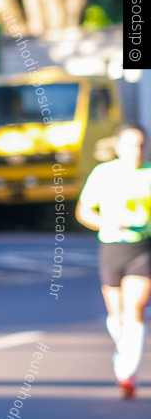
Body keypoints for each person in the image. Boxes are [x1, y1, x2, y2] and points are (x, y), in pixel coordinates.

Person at [77, 124, 151, 399]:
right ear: (119, 147)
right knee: (117, 316)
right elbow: (84, 211)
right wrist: (107, 222)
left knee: (136, 308)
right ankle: (124, 355)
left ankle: (127, 371)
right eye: (131, 145)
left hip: (143, 247)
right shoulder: (104, 174)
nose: (136, 151)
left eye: (141, 145)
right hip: (111, 246)